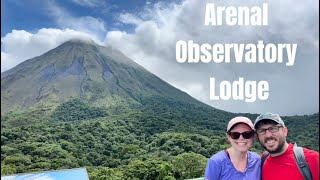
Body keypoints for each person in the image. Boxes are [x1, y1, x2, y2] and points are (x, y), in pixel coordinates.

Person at [254, 112, 319, 180]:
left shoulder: (313, 159)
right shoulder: (262, 160)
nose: (268, 135)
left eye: (273, 128)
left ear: (285, 131)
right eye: (261, 131)